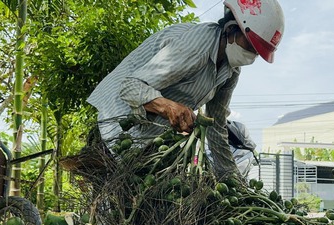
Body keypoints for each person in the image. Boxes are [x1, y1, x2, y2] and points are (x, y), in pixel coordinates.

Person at [86, 0, 284, 180]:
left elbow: (216, 126)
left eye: (257, 52)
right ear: (232, 29)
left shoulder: (231, 71)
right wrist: (168, 107)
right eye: (250, 46)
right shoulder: (198, 46)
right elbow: (130, 87)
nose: (251, 55)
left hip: (147, 141)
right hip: (118, 126)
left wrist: (231, 179)